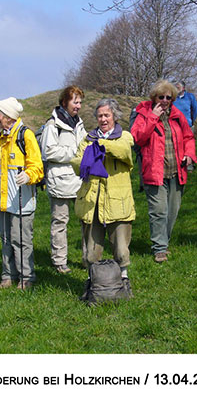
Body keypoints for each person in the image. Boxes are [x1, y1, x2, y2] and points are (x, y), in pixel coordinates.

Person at [0, 97, 44, 289]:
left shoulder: (26, 135)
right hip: (4, 199)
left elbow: (37, 167)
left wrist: (28, 175)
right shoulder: (3, 137)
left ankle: (27, 277)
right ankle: (7, 276)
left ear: (8, 116)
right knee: (6, 238)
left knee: (21, 239)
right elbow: (3, 169)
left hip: (21, 200)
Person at [71, 98, 135, 292]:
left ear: (114, 116)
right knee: (91, 250)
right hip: (92, 203)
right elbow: (76, 161)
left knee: (121, 248)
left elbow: (124, 151)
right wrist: (86, 161)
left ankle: (123, 282)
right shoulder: (88, 138)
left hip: (118, 203)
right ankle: (94, 284)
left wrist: (102, 145)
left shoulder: (124, 136)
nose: (103, 119)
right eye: (100, 116)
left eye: (107, 115)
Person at [131, 80, 197, 263]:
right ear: (154, 97)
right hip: (154, 171)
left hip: (176, 171)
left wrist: (190, 153)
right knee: (159, 211)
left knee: (172, 211)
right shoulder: (143, 113)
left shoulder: (177, 115)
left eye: (169, 97)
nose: (165, 100)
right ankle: (159, 248)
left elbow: (188, 137)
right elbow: (138, 138)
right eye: (162, 97)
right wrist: (152, 117)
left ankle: (163, 243)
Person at [40, 85, 87, 274]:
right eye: (75, 102)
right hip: (60, 181)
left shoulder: (79, 123)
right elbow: (48, 151)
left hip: (80, 179)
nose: (78, 106)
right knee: (60, 222)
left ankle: (88, 259)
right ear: (64, 102)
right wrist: (75, 154)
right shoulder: (52, 125)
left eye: (80, 102)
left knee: (87, 221)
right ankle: (59, 261)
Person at [174, 81, 197, 172]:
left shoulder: (190, 97)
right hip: (175, 125)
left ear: (183, 88)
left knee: (189, 145)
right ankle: (178, 164)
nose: (176, 88)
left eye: (178, 87)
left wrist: (191, 121)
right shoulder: (173, 98)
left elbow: (195, 110)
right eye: (175, 87)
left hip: (188, 125)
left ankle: (189, 165)